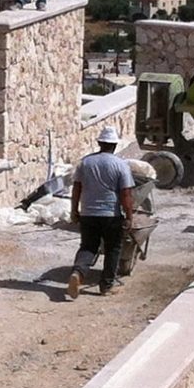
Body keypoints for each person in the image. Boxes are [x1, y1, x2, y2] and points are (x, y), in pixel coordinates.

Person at [68, 124, 139, 298]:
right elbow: (126, 194)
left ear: (100, 143)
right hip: (110, 215)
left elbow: (76, 188)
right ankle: (106, 286)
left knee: (88, 246)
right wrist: (129, 217)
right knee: (113, 248)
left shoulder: (86, 162)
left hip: (88, 213)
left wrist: (74, 211)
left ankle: (78, 272)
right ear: (114, 145)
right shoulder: (120, 165)